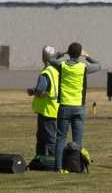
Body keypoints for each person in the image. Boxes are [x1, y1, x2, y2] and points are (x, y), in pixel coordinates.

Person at [49, 42, 101, 173]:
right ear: (79, 54)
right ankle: (77, 166)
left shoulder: (62, 66)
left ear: (69, 52)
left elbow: (51, 59)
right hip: (79, 106)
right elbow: (99, 65)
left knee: (61, 137)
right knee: (78, 139)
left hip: (65, 105)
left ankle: (58, 166)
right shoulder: (83, 67)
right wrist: (87, 55)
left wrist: (62, 53)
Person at [26, 46, 59, 157]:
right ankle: (41, 160)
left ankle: (53, 161)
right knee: (45, 137)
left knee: (47, 139)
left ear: (43, 58)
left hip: (46, 110)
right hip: (55, 109)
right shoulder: (57, 71)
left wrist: (32, 92)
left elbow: (41, 91)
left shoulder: (46, 73)